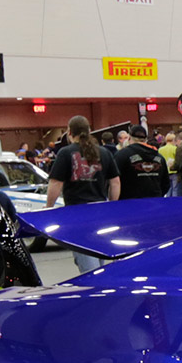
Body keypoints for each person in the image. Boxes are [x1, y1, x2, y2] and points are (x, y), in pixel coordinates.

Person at [43, 116, 120, 274]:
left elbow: (56, 183)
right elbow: (115, 182)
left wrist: (49, 207)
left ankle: (95, 287)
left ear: (69, 132)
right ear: (89, 131)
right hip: (100, 212)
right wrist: (112, 205)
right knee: (99, 256)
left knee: (87, 262)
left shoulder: (65, 153)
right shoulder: (104, 153)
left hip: (77, 214)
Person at [115, 126, 168, 198]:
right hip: (154, 200)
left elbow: (114, 181)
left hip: (129, 201)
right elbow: (166, 183)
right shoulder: (159, 157)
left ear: (129, 138)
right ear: (146, 139)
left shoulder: (121, 155)